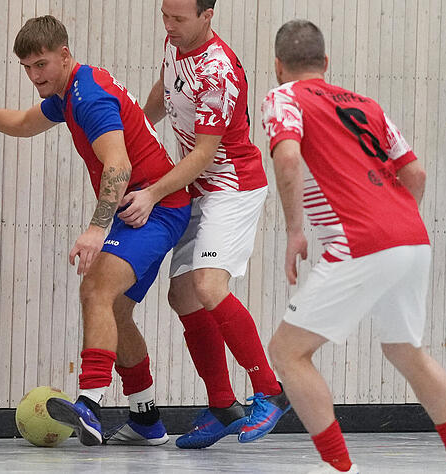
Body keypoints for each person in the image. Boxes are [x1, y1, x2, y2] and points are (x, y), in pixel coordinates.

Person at [261, 20, 446, 474]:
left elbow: (287, 157)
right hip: (411, 235)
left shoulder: (283, 96)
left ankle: (338, 467)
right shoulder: (368, 104)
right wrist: (396, 222)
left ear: (277, 66)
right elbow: (417, 175)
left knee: (288, 353)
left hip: (358, 237)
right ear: (325, 63)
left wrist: (294, 231)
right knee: (406, 350)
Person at [0, 15, 191, 447]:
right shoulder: (69, 91)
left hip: (156, 207)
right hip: (134, 207)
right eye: (27, 67)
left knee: (95, 288)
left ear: (64, 55)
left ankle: (90, 405)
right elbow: (24, 123)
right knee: (115, 310)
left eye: (41, 64)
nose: (34, 75)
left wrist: (97, 230)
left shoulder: (88, 96)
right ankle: (146, 419)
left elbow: (119, 166)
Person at [113, 0, 289, 449]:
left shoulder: (217, 72)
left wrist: (152, 193)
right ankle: (223, 405)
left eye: (179, 19)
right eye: (164, 16)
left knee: (210, 287)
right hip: (199, 188)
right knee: (182, 295)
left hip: (231, 186)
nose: (169, 26)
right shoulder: (177, 42)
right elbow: (166, 87)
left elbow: (204, 154)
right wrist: (137, 127)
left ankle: (270, 392)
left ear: (207, 16)